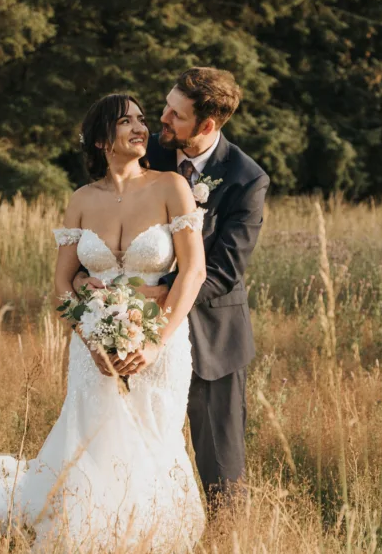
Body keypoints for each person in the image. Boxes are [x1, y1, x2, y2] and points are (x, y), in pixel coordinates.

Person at [0, 93, 208, 554]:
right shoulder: (81, 201)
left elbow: (193, 273)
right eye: (126, 121)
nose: (141, 127)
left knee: (155, 434)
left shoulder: (171, 186)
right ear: (103, 138)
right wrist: (90, 337)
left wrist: (153, 343)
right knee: (93, 439)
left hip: (159, 343)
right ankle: (91, 532)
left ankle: (148, 537)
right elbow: (62, 285)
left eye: (142, 120)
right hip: (91, 345)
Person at [74, 67, 270, 511]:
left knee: (221, 461)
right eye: (163, 107)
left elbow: (224, 269)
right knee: (130, 448)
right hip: (129, 329)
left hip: (211, 333)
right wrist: (110, 301)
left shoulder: (245, 179)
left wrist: (152, 296)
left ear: (206, 126)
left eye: (174, 115)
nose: (160, 119)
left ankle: (228, 550)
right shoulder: (153, 156)